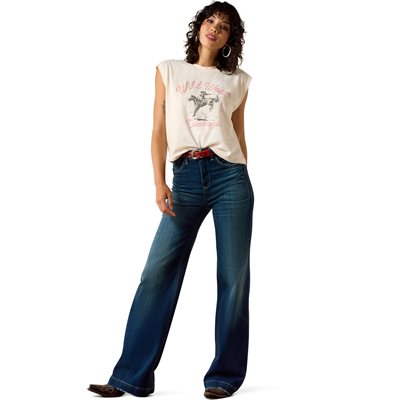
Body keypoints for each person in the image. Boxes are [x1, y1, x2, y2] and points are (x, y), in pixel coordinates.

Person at [88, 1, 254, 398]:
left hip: (230, 177)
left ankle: (224, 377)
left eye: (225, 26)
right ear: (199, 26)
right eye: (211, 20)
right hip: (185, 178)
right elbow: (159, 128)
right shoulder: (169, 70)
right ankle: (129, 377)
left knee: (233, 278)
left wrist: (243, 173)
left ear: (230, 39)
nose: (215, 28)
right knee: (156, 273)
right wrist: (159, 181)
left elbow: (238, 133)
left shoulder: (239, 81)